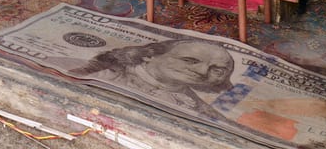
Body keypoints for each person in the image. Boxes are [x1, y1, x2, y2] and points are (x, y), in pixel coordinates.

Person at [72, 38, 235, 119]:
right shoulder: (97, 73)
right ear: (149, 55)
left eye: (217, 70)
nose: (202, 71)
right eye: (189, 60)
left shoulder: (202, 110)